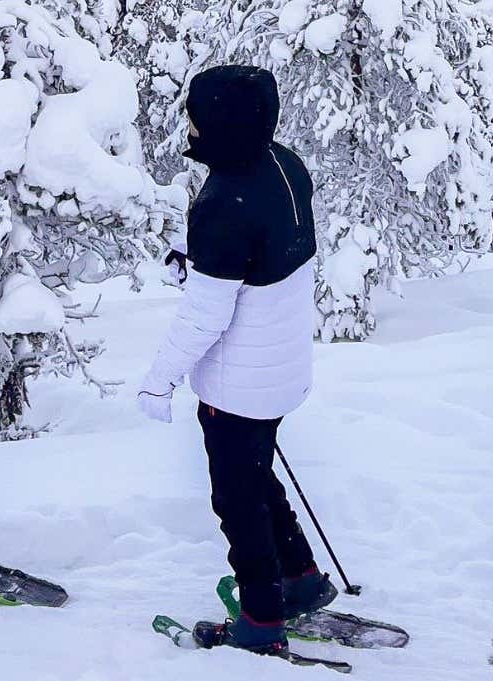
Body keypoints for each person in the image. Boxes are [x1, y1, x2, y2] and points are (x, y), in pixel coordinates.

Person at [135, 65, 337, 656]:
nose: (188, 126)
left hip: (238, 385)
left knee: (237, 497)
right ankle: (298, 578)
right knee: (256, 476)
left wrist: (158, 383)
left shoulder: (224, 199)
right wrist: (196, 264)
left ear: (222, 121)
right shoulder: (283, 164)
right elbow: (254, 259)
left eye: (195, 116)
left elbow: (206, 316)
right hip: (281, 368)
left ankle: (261, 620)